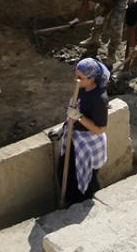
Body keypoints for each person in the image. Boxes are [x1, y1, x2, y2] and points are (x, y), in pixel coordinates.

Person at [57, 57, 110, 207]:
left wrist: (79, 117)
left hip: (88, 144)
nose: (76, 80)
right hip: (74, 138)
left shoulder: (99, 99)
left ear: (92, 78)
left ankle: (83, 207)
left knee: (85, 181)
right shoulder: (80, 89)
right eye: (76, 76)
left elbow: (100, 129)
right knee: (64, 173)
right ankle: (68, 203)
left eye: (80, 77)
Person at [71, 0, 129, 64]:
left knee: (115, 24)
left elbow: (110, 6)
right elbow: (85, 5)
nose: (81, 0)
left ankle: (112, 55)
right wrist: (77, 19)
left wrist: (102, 17)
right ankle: (94, 40)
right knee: (98, 13)